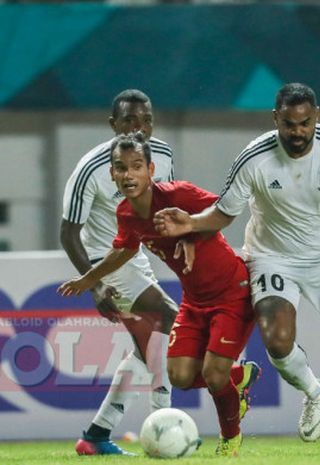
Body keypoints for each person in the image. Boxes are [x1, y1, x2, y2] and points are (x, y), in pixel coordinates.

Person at [153, 82, 320, 454]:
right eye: (289, 124)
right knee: (277, 341)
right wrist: (190, 224)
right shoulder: (254, 158)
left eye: (304, 123)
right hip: (271, 257)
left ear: (316, 117)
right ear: (276, 119)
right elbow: (224, 212)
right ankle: (314, 391)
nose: (297, 133)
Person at [59, 134, 260, 457]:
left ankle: (229, 442)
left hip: (231, 292)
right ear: (111, 174)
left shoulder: (178, 194)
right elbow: (123, 250)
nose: (128, 175)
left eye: (136, 167)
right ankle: (240, 376)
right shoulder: (126, 213)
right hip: (194, 301)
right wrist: (89, 279)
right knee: (179, 375)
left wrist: (192, 232)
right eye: (120, 168)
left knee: (212, 372)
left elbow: (226, 210)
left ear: (151, 169)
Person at [60, 89, 179, 456]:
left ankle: (96, 434)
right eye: (130, 121)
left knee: (147, 349)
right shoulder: (90, 169)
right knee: (167, 316)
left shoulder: (162, 155)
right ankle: (164, 426)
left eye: (146, 121)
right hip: (102, 260)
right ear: (114, 125)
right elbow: (68, 234)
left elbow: (161, 207)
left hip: (134, 255)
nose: (140, 129)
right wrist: (94, 285)